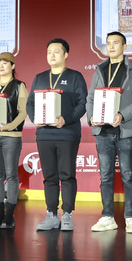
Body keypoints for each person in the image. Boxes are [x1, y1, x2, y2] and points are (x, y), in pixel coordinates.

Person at [86, 31, 132, 233]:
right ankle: (107, 217)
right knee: (105, 176)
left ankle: (131, 218)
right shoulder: (100, 70)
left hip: (125, 131)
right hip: (103, 131)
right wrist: (91, 117)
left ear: (124, 46)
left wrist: (121, 115)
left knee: (128, 175)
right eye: (108, 43)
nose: (111, 47)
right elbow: (91, 99)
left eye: (116, 43)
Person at [26, 38, 87, 232]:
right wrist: (34, 118)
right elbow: (30, 103)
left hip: (67, 133)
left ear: (66, 54)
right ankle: (51, 214)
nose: (52, 55)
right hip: (44, 134)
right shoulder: (40, 78)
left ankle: (67, 213)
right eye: (49, 52)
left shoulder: (75, 77)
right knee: (49, 176)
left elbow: (83, 104)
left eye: (56, 52)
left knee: (67, 175)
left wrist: (65, 119)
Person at [0, 52, 28, 230]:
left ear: (13, 66)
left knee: (11, 174)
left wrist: (9, 126)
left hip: (12, 136)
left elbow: (23, 112)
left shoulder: (19, 86)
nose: (1, 66)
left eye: (5, 63)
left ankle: (10, 215)